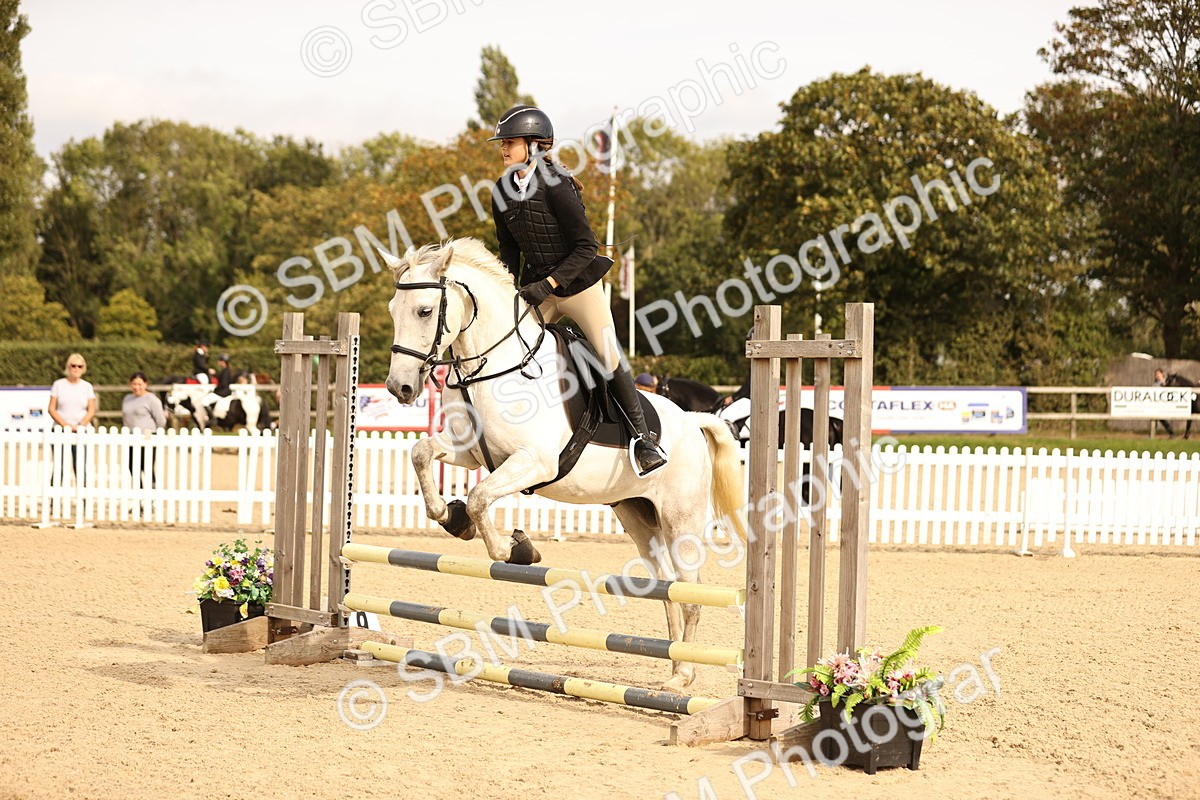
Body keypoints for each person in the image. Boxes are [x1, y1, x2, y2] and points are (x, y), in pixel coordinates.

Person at [488, 105, 667, 476]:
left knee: (607, 353)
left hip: (578, 283)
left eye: (510, 141)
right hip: (537, 286)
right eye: (502, 142)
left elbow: (586, 247)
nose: (503, 148)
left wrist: (549, 285)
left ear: (535, 144)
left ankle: (643, 439)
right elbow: (508, 250)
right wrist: (510, 289)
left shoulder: (558, 183)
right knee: (504, 343)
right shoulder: (501, 190)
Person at [47, 353, 96, 482]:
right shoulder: (58, 385)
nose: (76, 369)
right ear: (68, 367)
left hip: (81, 430)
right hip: (60, 430)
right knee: (60, 466)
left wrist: (80, 426)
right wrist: (65, 426)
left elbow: (91, 410)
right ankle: (54, 498)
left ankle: (84, 498)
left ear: (83, 368)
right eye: (73, 365)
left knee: (80, 466)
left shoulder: (87, 386)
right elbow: (51, 408)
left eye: (79, 366)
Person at [122, 371, 166, 488]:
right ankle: (139, 495)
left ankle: (151, 493)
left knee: (146, 466)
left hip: (147, 438)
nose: (137, 387)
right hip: (131, 438)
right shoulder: (127, 399)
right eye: (134, 384)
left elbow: (161, 420)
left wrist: (153, 435)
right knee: (132, 467)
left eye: (140, 384)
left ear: (145, 384)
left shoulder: (151, 399)